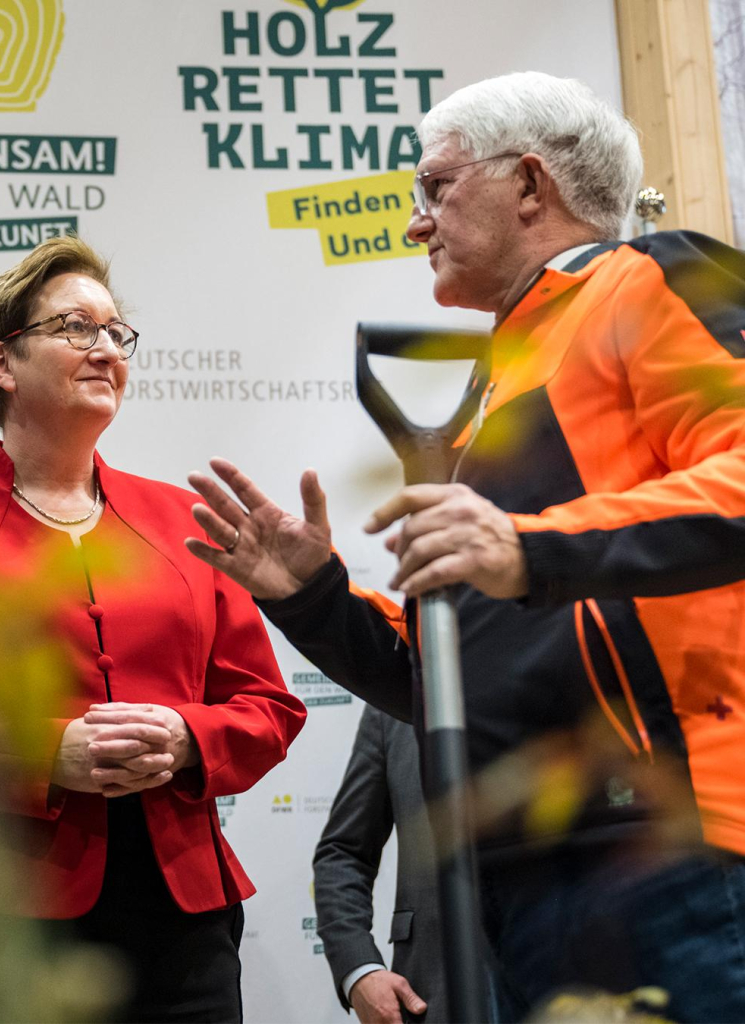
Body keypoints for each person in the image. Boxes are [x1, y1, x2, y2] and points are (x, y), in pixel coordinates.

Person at [186, 72, 745, 1022]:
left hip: (672, 849)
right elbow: (445, 680)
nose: (415, 224)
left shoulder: (654, 277)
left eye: (436, 189)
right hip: (524, 882)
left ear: (530, 184)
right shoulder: (499, 397)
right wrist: (315, 598)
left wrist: (531, 545)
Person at [0, 235, 306, 1023]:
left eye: (117, 333)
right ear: (2, 363)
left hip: (180, 921)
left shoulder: (181, 521)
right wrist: (45, 750)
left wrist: (188, 737)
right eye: (75, 328)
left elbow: (268, 708)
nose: (106, 350)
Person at [314, 705, 442, 1023]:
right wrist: (360, 972)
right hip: (430, 995)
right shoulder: (393, 707)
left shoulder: (567, 679)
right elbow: (343, 854)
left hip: (556, 984)